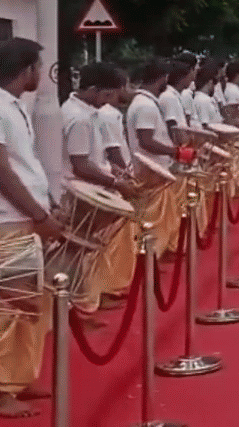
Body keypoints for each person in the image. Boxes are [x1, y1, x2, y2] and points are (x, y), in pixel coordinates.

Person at [0, 38, 61, 418]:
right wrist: (38, 214)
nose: (41, 76)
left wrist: (44, 206)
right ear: (27, 68)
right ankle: (0, 393)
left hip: (22, 218)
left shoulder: (12, 106)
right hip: (2, 221)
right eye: (38, 68)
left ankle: (17, 378)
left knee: (31, 305)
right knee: (7, 307)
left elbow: (23, 165)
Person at [60, 62, 138, 316]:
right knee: (81, 253)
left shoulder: (86, 112)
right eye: (107, 94)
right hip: (82, 192)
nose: (111, 100)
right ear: (93, 90)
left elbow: (93, 157)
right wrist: (115, 183)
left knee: (90, 252)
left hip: (91, 187)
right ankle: (80, 308)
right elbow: (80, 164)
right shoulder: (79, 117)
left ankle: (90, 300)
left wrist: (112, 171)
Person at [128, 59, 184, 256]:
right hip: (151, 168)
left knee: (165, 215)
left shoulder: (145, 103)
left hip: (156, 167)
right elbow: (146, 140)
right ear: (163, 79)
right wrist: (175, 152)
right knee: (154, 217)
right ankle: (152, 256)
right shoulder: (145, 106)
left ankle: (159, 252)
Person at [159, 59, 191, 133]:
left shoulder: (175, 95)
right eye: (189, 75)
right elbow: (172, 127)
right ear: (183, 77)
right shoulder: (169, 96)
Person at [192, 62, 225, 128]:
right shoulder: (203, 100)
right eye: (215, 82)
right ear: (210, 81)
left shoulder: (204, 98)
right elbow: (205, 126)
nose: (215, 86)